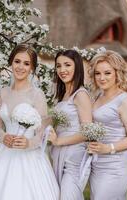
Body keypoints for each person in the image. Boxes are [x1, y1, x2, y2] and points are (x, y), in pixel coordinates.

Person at [0, 44, 59, 200]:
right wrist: (3, 137)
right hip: (5, 152)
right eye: (17, 61)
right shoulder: (4, 92)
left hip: (29, 155)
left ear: (32, 69)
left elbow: (42, 132)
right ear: (11, 63)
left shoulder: (37, 95)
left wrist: (29, 143)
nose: (21, 67)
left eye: (26, 63)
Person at [88, 50, 127, 199]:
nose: (101, 78)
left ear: (117, 73)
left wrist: (108, 148)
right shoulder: (98, 97)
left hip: (116, 165)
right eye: (97, 73)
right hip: (97, 164)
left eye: (107, 73)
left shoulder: (124, 101)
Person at [48, 49, 92, 200]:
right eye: (58, 66)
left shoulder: (80, 95)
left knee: (68, 195)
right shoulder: (63, 95)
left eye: (67, 65)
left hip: (74, 156)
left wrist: (59, 141)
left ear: (77, 67)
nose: (62, 70)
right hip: (59, 152)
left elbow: (87, 132)